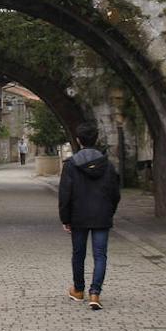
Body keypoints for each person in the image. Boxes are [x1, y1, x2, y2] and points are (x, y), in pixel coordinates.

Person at [58, 123, 120, 310]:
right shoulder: (107, 165)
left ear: (78, 140)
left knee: (79, 254)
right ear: (96, 140)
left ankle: (78, 290)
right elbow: (115, 193)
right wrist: (110, 211)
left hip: (78, 216)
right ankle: (95, 293)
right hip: (101, 215)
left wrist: (65, 218)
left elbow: (65, 194)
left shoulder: (71, 165)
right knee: (100, 255)